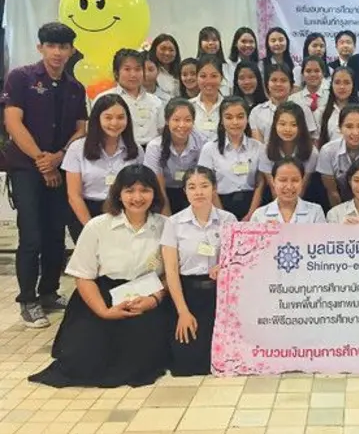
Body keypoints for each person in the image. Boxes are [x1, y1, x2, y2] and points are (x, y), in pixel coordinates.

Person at [28, 164, 169, 387]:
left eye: (145, 190)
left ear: (155, 193)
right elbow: (83, 275)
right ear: (118, 194)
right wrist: (104, 311)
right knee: (84, 358)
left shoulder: (166, 226)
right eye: (130, 191)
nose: (137, 197)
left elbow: (171, 276)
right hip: (102, 296)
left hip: (148, 296)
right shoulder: (97, 226)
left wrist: (153, 300)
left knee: (141, 359)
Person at [2, 22, 87, 327]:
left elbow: (81, 129)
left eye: (63, 47)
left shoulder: (75, 88)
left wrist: (59, 157)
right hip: (27, 168)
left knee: (55, 233)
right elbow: (13, 123)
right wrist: (41, 160)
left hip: (60, 168)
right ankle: (28, 299)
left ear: (71, 51)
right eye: (51, 46)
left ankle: (49, 292)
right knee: (31, 235)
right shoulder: (21, 78)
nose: (57, 52)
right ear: (40, 47)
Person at [162, 166, 237, 376]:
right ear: (184, 191)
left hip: (221, 294)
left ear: (214, 188)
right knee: (187, 365)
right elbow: (171, 271)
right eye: (192, 187)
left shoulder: (229, 220)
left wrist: (225, 266)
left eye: (204, 186)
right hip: (188, 294)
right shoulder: (173, 223)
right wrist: (183, 311)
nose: (199, 192)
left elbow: (238, 260)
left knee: (225, 360)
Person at [63, 94, 145, 242]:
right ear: (97, 119)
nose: (114, 123)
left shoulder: (136, 149)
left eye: (120, 117)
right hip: (86, 211)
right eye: (108, 117)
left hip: (124, 212)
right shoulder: (77, 148)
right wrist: (91, 228)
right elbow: (74, 195)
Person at [198, 96, 264, 220]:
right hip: (220, 206)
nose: (235, 122)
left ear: (247, 119)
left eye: (240, 117)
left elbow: (260, 183)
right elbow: (207, 184)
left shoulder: (258, 147)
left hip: (252, 206)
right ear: (221, 120)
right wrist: (223, 216)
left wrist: (251, 215)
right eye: (229, 117)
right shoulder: (209, 149)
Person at [144, 99, 208, 215]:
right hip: (164, 192)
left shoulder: (202, 142)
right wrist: (167, 215)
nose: (182, 125)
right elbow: (158, 186)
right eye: (176, 120)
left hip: (193, 190)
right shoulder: (155, 147)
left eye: (187, 120)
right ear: (167, 121)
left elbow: (203, 178)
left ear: (193, 121)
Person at [317, 104, 359, 208]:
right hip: (339, 202)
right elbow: (332, 192)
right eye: (349, 126)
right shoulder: (328, 151)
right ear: (340, 128)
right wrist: (340, 214)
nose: (355, 132)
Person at [96, 49, 164, 147]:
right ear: (116, 73)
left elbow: (162, 131)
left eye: (138, 69)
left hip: (151, 152)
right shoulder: (104, 99)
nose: (133, 74)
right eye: (127, 69)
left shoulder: (155, 101)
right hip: (120, 151)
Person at [257, 102, 319, 199]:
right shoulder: (265, 150)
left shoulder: (312, 152)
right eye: (282, 124)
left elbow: (302, 186)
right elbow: (273, 188)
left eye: (293, 125)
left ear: (301, 127)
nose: (287, 129)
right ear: (275, 125)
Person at [251, 157, 326, 223]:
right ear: (273, 181)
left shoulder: (315, 212)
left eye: (295, 180)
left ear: (302, 182)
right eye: (283, 180)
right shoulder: (259, 215)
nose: (289, 186)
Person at [253, 63, 316, 142]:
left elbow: (310, 140)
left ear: (291, 84)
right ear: (267, 84)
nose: (278, 84)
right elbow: (258, 144)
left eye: (283, 80)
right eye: (274, 80)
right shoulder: (257, 112)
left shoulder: (303, 109)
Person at [315, 67, 359, 146]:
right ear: (331, 85)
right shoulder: (321, 112)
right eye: (337, 82)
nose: (342, 87)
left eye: (346, 83)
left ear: (353, 85)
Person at [190, 54, 224, 141]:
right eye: (203, 76)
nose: (208, 81)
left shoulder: (230, 107)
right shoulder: (188, 106)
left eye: (214, 76)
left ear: (221, 78)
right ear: (196, 78)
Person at [196, 26, 230, 95]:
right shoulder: (194, 64)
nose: (211, 43)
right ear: (200, 43)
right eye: (206, 40)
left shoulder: (228, 66)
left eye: (214, 40)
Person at [149, 33, 181, 98]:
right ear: (154, 49)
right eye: (163, 49)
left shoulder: (180, 72)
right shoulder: (149, 71)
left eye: (171, 50)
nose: (167, 53)